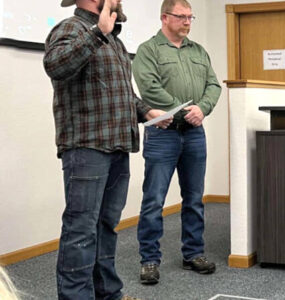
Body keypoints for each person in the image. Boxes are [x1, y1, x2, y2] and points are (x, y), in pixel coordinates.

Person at [44, 0, 171, 299]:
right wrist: (97, 34)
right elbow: (55, 66)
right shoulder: (71, 28)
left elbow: (119, 93)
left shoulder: (113, 39)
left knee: (104, 227)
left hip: (117, 145)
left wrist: (146, 111)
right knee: (81, 230)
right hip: (87, 148)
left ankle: (108, 294)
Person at [132, 0, 221, 285]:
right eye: (181, 17)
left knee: (194, 199)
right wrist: (184, 110)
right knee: (154, 200)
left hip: (194, 134)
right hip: (163, 133)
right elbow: (149, 87)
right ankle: (149, 260)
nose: (187, 22)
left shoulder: (198, 51)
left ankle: (193, 253)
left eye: (190, 17)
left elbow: (213, 85)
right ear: (164, 18)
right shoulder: (149, 50)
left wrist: (203, 108)